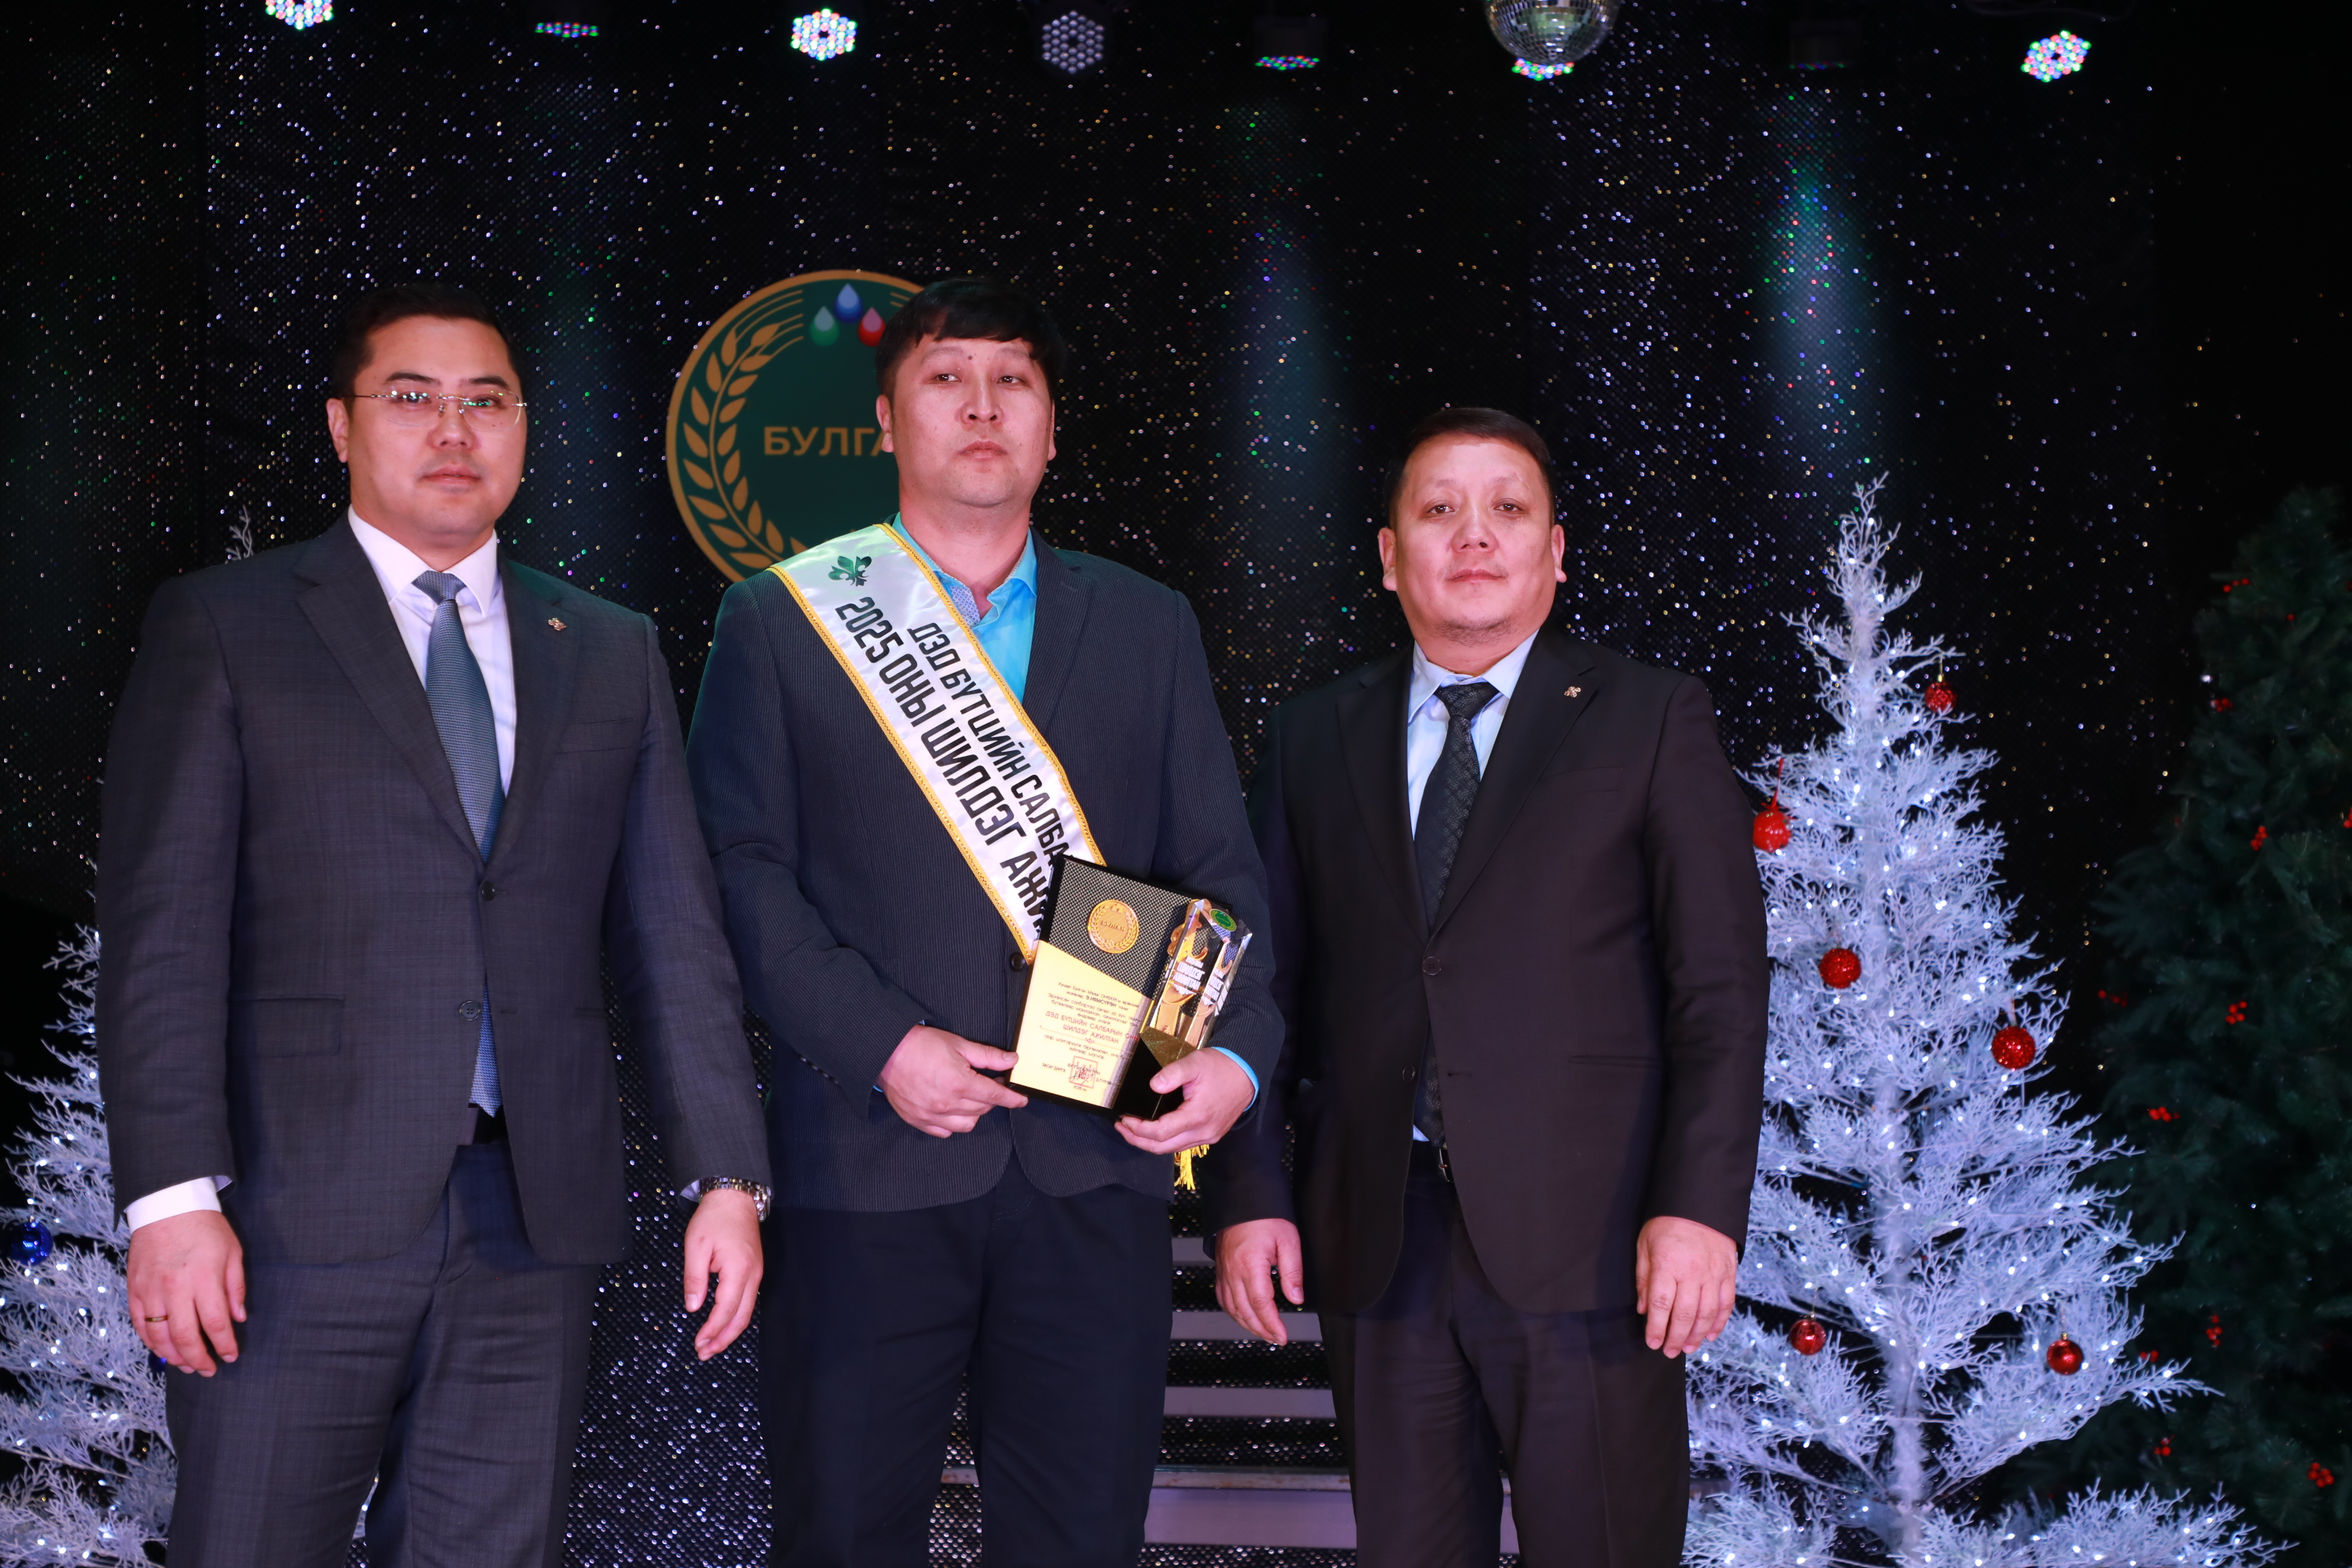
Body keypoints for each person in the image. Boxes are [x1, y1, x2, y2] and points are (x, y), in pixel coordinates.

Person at [97, 282, 772, 1567]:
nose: (453, 429)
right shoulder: (228, 624)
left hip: (530, 1216)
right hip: (284, 1218)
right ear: (341, 427)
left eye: (486, 402)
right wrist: (171, 1201)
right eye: (412, 398)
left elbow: (674, 939)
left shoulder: (609, 648)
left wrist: (728, 1178)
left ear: (523, 431)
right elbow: (163, 934)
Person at [688, 275, 1281, 1567]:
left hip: (1095, 1170)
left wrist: (1230, 1055)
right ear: (887, 423)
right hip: (868, 1163)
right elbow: (739, 875)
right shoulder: (783, 619)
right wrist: (882, 1044)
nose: (982, 405)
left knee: (1080, 1541)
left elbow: (1215, 875)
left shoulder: (1147, 623)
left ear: (1052, 429)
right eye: (946, 380)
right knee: (842, 1539)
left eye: (1014, 380)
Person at [1201, 407, 1768, 1567]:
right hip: (1378, 1242)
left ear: (1554, 552)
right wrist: (1247, 1193)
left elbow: (1717, 990)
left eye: (1507, 509)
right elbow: (1260, 987)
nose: (1474, 534)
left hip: (1598, 1246)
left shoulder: (1653, 716)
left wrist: (1701, 1207)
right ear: (1388, 554)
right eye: (1439, 509)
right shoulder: (1312, 735)